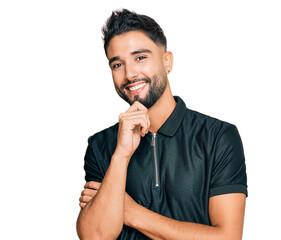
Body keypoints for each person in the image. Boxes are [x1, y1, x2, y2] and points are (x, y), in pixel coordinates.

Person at [76, 9, 248, 240]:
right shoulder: (100, 145)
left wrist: (131, 212)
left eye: (140, 57)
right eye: (117, 64)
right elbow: (95, 236)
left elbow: (227, 237)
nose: (130, 74)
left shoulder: (218, 136)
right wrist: (122, 154)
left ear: (167, 61)